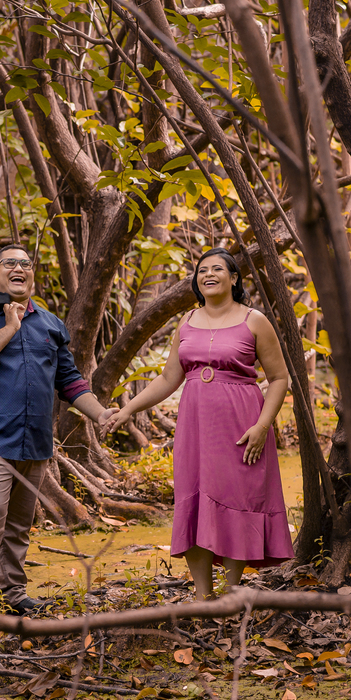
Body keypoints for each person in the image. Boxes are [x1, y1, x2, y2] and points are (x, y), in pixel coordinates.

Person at [103, 248, 293, 599]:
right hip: (195, 427)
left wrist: (263, 426)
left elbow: (280, 378)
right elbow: (167, 379)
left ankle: (232, 593)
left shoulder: (254, 320)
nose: (208, 274)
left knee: (237, 499)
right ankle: (203, 597)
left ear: (233, 278)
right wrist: (128, 409)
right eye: (202, 270)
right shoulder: (187, 321)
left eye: (217, 269)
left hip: (242, 424)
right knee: (193, 499)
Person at [0, 244, 116, 614]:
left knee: (19, 524)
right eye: (9, 263)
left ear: (32, 274)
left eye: (25, 263)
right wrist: (10, 327)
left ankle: (14, 592)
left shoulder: (50, 325)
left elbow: (69, 381)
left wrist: (101, 414)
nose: (19, 268)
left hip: (35, 443)